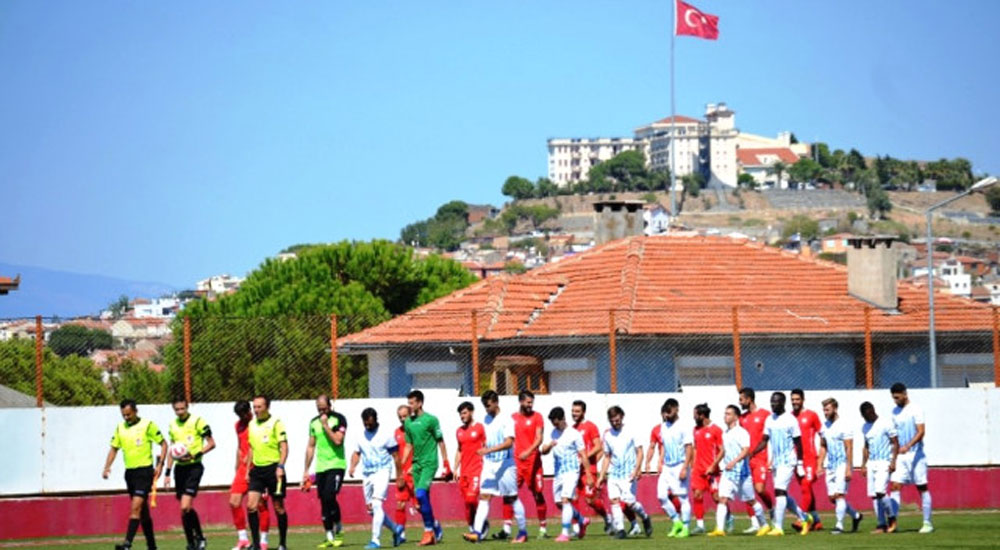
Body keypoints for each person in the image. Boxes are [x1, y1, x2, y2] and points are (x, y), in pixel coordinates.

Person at [464, 390, 528, 544]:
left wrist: (488, 450)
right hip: (489, 465)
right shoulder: (485, 419)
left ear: (496, 402)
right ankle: (477, 532)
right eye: (485, 407)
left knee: (512, 498)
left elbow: (509, 443)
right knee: (484, 496)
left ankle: (522, 532)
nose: (487, 409)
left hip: (505, 465)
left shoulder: (506, 420)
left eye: (488, 406)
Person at [102, 399, 167, 550]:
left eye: (129, 415)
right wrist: (107, 467)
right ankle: (152, 546)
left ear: (136, 411)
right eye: (123, 415)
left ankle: (127, 544)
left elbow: (163, 444)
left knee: (135, 507)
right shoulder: (120, 428)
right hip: (130, 474)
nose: (126, 418)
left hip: (144, 472)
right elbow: (114, 448)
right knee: (142, 512)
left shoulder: (147, 425)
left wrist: (160, 465)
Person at [750, 392, 812, 536]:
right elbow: (765, 440)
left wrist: (800, 463)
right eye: (772, 402)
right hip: (777, 463)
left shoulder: (790, 420)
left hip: (789, 461)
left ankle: (778, 527)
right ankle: (804, 518)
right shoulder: (770, 420)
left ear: (783, 403)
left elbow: (798, 443)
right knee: (782, 493)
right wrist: (753, 452)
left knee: (779, 491)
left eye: (776, 402)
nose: (773, 404)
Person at [399, 390, 450, 546]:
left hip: (429, 463)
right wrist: (401, 464)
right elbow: (408, 445)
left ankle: (428, 533)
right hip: (417, 465)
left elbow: (440, 441)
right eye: (409, 402)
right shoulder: (408, 422)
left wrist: (446, 462)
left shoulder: (431, 420)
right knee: (420, 502)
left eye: (412, 402)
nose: (410, 405)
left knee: (420, 494)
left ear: (420, 403)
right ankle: (435, 526)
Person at [349, 408, 405, 549]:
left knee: (377, 504)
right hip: (367, 474)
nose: (368, 426)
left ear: (375, 420)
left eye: (370, 424)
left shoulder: (386, 435)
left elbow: (396, 456)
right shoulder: (360, 435)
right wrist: (352, 466)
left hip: (382, 471)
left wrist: (399, 475)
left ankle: (375, 540)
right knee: (371, 510)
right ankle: (396, 529)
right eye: (365, 424)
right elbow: (356, 453)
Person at [163, 397, 215, 550]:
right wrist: (167, 472)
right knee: (184, 509)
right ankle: (191, 543)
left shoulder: (198, 422)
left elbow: (212, 443)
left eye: (182, 409)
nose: (180, 412)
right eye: (177, 410)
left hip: (194, 468)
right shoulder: (173, 425)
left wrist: (195, 454)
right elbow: (172, 451)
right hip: (180, 470)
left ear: (187, 407)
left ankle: (199, 536)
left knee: (185, 506)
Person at [707, 405, 767, 537]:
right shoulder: (725, 433)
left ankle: (764, 525)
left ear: (736, 417)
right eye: (725, 413)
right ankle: (720, 529)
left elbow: (746, 450)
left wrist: (734, 462)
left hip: (742, 474)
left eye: (728, 414)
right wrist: (714, 465)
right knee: (722, 498)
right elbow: (724, 451)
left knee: (751, 500)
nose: (725, 416)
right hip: (728, 474)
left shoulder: (742, 432)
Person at [597, 406, 651, 539]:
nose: (615, 422)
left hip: (628, 474)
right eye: (612, 420)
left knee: (629, 503)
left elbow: (640, 452)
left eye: (616, 419)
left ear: (621, 416)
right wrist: (601, 476)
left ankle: (645, 517)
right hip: (614, 474)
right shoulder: (607, 435)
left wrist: (637, 469)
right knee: (614, 501)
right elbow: (607, 456)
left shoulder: (630, 431)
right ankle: (621, 530)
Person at [541, 406, 593, 542]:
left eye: (556, 422)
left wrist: (588, 475)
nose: (554, 424)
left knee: (566, 500)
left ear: (563, 419)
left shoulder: (574, 434)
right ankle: (582, 520)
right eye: (552, 422)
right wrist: (549, 446)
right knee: (559, 503)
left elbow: (583, 454)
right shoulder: (553, 433)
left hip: (571, 471)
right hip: (558, 472)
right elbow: (543, 450)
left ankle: (565, 533)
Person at [303, 395, 349, 548]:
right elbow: (311, 446)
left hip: (336, 464)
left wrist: (326, 426)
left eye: (324, 408)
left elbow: (337, 440)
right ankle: (329, 536)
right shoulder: (313, 423)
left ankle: (339, 529)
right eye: (319, 408)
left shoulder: (339, 419)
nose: (322, 411)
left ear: (330, 405)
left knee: (330, 496)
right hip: (321, 467)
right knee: (323, 500)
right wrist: (306, 470)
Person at [246, 394, 289, 550]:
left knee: (278, 507)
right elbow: (251, 448)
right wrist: (247, 469)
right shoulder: (251, 424)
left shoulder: (276, 423)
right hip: (257, 470)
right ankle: (256, 545)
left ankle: (282, 543)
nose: (256, 410)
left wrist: (280, 466)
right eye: (254, 407)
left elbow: (284, 447)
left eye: (259, 407)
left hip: (274, 469)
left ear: (267, 407)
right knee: (251, 506)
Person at [889, 382, 934, 534]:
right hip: (901, 456)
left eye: (897, 397)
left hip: (916, 455)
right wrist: (893, 457)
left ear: (904, 394)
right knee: (895, 486)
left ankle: (927, 523)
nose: (896, 400)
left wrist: (908, 445)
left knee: (922, 487)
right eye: (893, 398)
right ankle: (893, 522)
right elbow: (895, 436)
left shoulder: (916, 409)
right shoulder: (894, 412)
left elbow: (921, 432)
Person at [647, 398, 692, 539]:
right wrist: (659, 462)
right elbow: (664, 447)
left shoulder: (683, 426)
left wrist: (685, 467)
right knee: (661, 496)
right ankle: (676, 522)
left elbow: (689, 447)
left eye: (669, 412)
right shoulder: (663, 427)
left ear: (676, 409)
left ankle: (685, 527)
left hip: (680, 464)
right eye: (665, 412)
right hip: (667, 467)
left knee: (683, 498)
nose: (667, 415)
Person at [229, 400, 271, 550]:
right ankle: (243, 539)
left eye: (244, 414)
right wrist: (237, 466)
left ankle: (263, 541)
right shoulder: (238, 425)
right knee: (234, 501)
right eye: (239, 415)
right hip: (242, 468)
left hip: (258, 467)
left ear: (249, 411)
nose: (242, 417)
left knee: (260, 505)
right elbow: (240, 446)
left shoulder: (257, 423)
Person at [817, 397, 863, 534]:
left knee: (839, 495)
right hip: (831, 466)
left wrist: (849, 468)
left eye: (828, 409)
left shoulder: (844, 425)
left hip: (842, 464)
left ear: (835, 409)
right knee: (832, 498)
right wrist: (820, 464)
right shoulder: (824, 426)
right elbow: (823, 446)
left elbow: (849, 447)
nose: (825, 412)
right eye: (824, 410)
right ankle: (856, 516)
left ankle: (839, 525)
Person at [511, 390, 548, 538]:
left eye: (531, 402)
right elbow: (508, 438)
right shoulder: (512, 418)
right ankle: (508, 527)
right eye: (528, 402)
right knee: (510, 494)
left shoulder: (537, 417)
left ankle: (543, 528)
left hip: (534, 462)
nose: (530, 405)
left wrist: (528, 451)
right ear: (520, 402)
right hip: (517, 464)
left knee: (538, 494)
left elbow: (539, 438)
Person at [571, 401, 610, 534]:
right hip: (575, 470)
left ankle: (607, 517)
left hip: (589, 469)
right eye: (573, 411)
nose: (574, 414)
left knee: (590, 500)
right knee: (573, 497)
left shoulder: (591, 427)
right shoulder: (571, 429)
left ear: (583, 412)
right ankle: (577, 526)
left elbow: (598, 446)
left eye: (577, 411)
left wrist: (584, 456)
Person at [860, 401, 899, 534]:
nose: (866, 417)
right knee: (874, 496)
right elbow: (866, 446)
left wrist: (893, 461)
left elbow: (895, 442)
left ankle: (892, 518)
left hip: (884, 462)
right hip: (872, 463)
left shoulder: (885, 423)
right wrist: (863, 464)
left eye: (867, 414)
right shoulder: (865, 427)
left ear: (872, 410)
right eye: (863, 416)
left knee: (880, 491)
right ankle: (881, 524)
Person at [738, 387, 772, 533]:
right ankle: (755, 522)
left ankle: (772, 510)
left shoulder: (765, 415)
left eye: (742, 399)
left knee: (760, 489)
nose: (740, 402)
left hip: (760, 458)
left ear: (749, 399)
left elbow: (770, 436)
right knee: (748, 491)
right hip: (746, 460)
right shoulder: (742, 419)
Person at [790, 389, 823, 531]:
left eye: (797, 399)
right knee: (807, 489)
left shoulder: (812, 415)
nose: (794, 402)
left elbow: (823, 436)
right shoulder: (789, 417)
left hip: (809, 458)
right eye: (792, 399)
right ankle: (816, 520)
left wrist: (821, 460)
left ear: (803, 400)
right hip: (796, 460)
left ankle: (802, 519)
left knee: (806, 486)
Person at [690, 403, 724, 534]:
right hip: (698, 470)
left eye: (695, 415)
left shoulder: (716, 430)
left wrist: (713, 465)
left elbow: (722, 451)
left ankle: (727, 517)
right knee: (697, 495)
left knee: (717, 497)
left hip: (712, 470)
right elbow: (695, 448)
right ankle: (700, 525)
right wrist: (693, 464)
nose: (693, 418)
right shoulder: (696, 430)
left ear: (702, 415)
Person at [455, 401, 486, 533]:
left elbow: (486, 446)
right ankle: (472, 527)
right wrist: (455, 468)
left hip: (476, 470)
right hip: (464, 472)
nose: (462, 416)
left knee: (471, 498)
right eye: (460, 414)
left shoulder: (479, 428)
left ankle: (481, 523)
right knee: (467, 503)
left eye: (464, 413)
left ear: (471, 412)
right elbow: (459, 450)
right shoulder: (459, 431)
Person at [394, 405, 417, 541]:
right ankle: (401, 534)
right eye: (400, 417)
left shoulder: (416, 430)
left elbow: (422, 450)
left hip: (415, 473)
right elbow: (395, 454)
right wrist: (398, 473)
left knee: (419, 505)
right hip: (402, 474)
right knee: (400, 504)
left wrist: (414, 466)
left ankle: (434, 526)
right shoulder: (396, 432)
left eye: (405, 416)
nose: (402, 419)